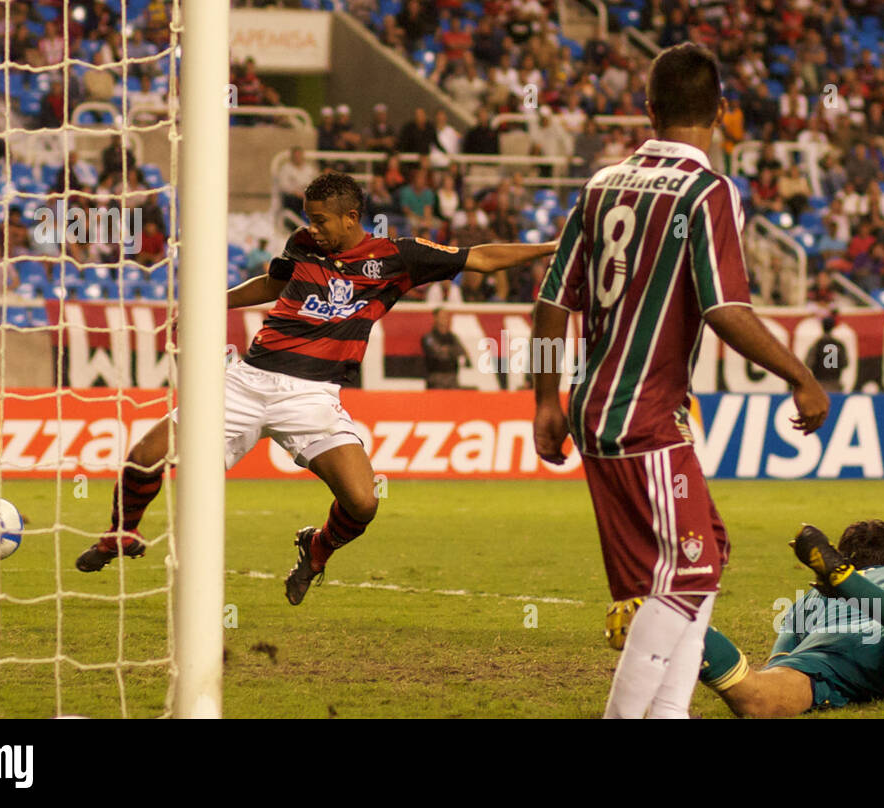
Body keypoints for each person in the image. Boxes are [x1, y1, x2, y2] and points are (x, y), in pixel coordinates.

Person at [76, 173, 558, 610]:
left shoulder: (397, 257)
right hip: (247, 381)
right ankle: (121, 531)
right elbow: (273, 282)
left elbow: (483, 258)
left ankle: (317, 549)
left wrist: (553, 246)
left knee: (363, 502)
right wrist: (212, 302)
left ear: (352, 217)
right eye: (309, 219)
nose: (314, 228)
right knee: (146, 455)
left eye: (322, 220)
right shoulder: (303, 243)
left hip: (314, 398)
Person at [530, 44, 830, 720]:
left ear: (648, 109)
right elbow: (726, 310)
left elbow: (553, 301)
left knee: (701, 555)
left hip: (596, 409)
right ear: (722, 112)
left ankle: (668, 712)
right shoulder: (707, 191)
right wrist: (801, 377)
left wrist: (546, 401)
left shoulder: (601, 184)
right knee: (690, 570)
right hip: (644, 414)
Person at [692, 522, 884, 717]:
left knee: (758, 698)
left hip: (833, 649)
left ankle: (687, 625)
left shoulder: (809, 598)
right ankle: (855, 587)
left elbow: (779, 663)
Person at [420, 308, 469, 388]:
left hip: (452, 377)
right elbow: (439, 353)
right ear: (435, 318)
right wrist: (451, 351)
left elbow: (462, 352)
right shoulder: (428, 338)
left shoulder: (453, 337)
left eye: (446, 317)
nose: (445, 320)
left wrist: (447, 350)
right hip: (436, 378)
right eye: (442, 317)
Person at [804, 312, 847, 392]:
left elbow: (809, 362)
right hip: (835, 383)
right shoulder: (838, 344)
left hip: (819, 383)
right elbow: (845, 363)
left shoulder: (817, 344)